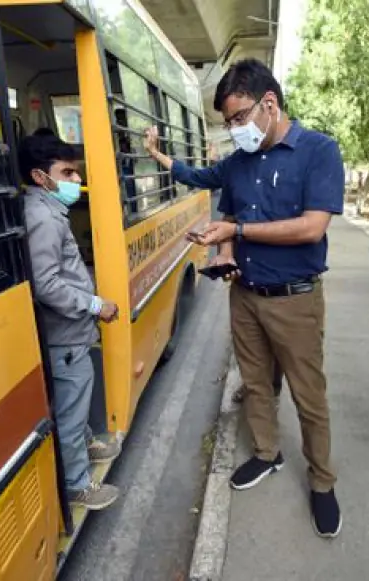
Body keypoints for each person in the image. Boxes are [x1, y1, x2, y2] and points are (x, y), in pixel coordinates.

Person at [143, 58, 344, 538]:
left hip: (295, 300)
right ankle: (267, 455)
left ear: (269, 104)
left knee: (308, 396)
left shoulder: (318, 150)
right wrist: (222, 243)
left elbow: (313, 226)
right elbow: (205, 182)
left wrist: (236, 230)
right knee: (256, 384)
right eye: (228, 123)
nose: (234, 130)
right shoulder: (239, 163)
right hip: (246, 294)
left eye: (238, 118)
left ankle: (322, 482)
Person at [19, 133, 122, 510]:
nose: (75, 180)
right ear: (40, 176)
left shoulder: (48, 211)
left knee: (77, 400)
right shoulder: (43, 218)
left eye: (76, 171)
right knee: (70, 407)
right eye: (66, 172)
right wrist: (95, 305)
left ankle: (87, 445)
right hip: (65, 336)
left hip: (70, 333)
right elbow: (46, 284)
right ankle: (78, 484)